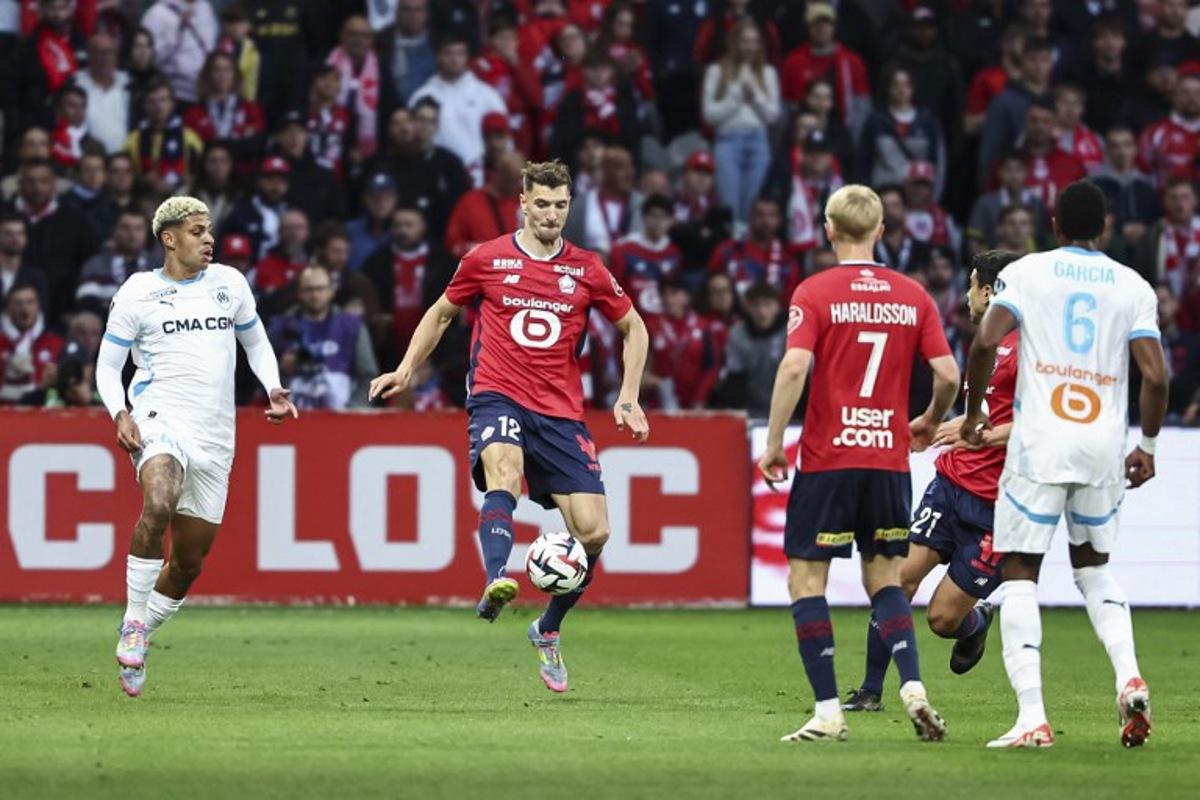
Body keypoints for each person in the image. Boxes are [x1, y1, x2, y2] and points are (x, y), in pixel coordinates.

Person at [368, 160, 650, 694]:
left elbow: (634, 329)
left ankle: (547, 628)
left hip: (562, 413)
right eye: (541, 204)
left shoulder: (588, 269)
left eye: (560, 205)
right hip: (497, 395)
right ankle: (497, 575)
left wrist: (628, 395)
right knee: (504, 473)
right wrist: (406, 369)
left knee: (595, 531)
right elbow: (441, 313)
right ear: (523, 202)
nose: (550, 214)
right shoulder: (486, 258)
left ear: (570, 206)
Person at [961, 180, 1169, 748]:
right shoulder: (1133, 286)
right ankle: (1128, 675)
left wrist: (975, 411)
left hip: (1038, 441)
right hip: (1102, 444)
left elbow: (985, 342)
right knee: (1095, 569)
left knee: (1019, 572)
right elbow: (1155, 375)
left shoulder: (1027, 274)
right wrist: (1147, 447)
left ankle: (1033, 717)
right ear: (1104, 228)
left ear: (1053, 226)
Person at [757, 183, 960, 743]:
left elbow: (795, 367)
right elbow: (948, 375)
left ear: (827, 229)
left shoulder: (816, 291)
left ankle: (828, 712)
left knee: (807, 579)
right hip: (887, 458)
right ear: (880, 232)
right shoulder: (912, 295)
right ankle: (913, 686)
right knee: (885, 578)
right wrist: (926, 419)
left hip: (829, 456)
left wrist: (774, 441)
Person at [97, 196, 297, 698]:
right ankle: (135, 623)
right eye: (197, 231)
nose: (210, 239)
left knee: (187, 564)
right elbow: (106, 365)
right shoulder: (139, 292)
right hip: (159, 418)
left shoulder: (229, 285)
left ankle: (139, 631)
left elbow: (255, 342)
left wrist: (272, 386)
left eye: (210, 231)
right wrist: (119, 412)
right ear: (169, 238)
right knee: (160, 499)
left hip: (215, 435)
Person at [844, 250, 1021, 713]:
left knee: (942, 620)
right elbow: (991, 412)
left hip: (998, 508)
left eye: (971, 285)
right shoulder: (985, 339)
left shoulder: (1035, 347)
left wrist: (982, 435)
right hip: (951, 484)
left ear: (989, 290)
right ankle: (870, 691)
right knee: (896, 577)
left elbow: (1043, 423)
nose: (965, 296)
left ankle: (974, 624)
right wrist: (955, 423)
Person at [701, 18, 780, 229]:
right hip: (728, 141)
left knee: (753, 207)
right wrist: (735, 97)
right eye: (745, 41)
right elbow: (710, 115)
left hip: (758, 141)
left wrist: (754, 96)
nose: (749, 46)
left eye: (754, 41)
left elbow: (773, 115)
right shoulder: (716, 71)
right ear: (735, 42)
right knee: (729, 206)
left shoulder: (768, 73)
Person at [268, 265, 378, 409]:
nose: (315, 295)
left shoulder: (352, 326)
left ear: (330, 291)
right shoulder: (280, 326)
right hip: (292, 415)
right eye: (309, 290)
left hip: (341, 416)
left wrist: (353, 411)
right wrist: (282, 372)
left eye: (320, 289)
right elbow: (261, 378)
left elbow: (368, 376)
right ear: (299, 293)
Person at [408, 33, 507, 174]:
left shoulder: (487, 95)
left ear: (467, 57)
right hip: (434, 172)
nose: (454, 59)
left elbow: (504, 140)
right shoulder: (422, 96)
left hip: (478, 173)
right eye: (448, 53)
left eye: (460, 53)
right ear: (437, 56)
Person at [140, 0, 218, 105]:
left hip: (205, 92)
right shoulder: (156, 13)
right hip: (173, 95)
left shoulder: (205, 8)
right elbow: (148, 59)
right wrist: (176, 31)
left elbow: (211, 46)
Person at [0, 282, 64, 404]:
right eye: (18, 303)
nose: (24, 308)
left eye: (30, 302)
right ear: (9, 307)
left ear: (38, 306)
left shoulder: (56, 343)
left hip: (43, 415)